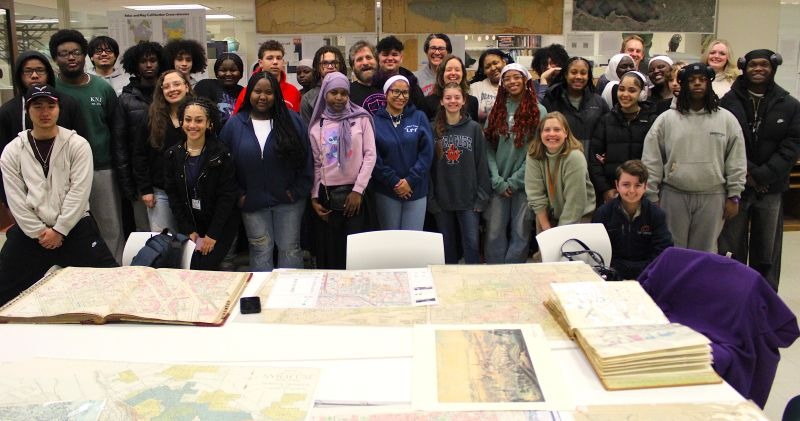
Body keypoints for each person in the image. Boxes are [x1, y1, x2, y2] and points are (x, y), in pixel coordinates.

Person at [0, 85, 117, 306]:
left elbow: (79, 192)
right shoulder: (13, 150)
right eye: (38, 106)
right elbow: (15, 198)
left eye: (50, 106)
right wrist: (39, 232)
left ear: (58, 109)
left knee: (111, 284)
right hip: (32, 232)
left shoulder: (77, 144)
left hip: (74, 227)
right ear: (27, 110)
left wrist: (60, 229)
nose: (45, 112)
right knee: (4, 288)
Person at [641, 62, 746, 252]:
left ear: (709, 83)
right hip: (674, 194)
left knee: (704, 253)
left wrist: (734, 195)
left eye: (702, 80)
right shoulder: (666, 119)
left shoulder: (726, 119)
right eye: (691, 80)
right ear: (683, 84)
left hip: (713, 195)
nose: (697, 84)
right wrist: (652, 195)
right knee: (673, 250)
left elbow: (736, 160)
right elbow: (652, 160)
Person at [718, 49, 800, 291]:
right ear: (744, 67)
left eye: (764, 64)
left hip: (771, 189)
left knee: (767, 252)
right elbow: (725, 141)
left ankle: (765, 300)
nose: (758, 69)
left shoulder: (790, 105)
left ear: (773, 67)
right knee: (732, 247)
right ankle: (734, 295)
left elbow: (793, 144)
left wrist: (763, 175)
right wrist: (750, 174)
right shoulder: (728, 102)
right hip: (738, 187)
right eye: (753, 64)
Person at [221, 72, 312, 271]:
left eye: (269, 92)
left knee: (290, 249)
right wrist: (239, 195)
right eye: (257, 91)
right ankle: (261, 297)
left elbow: (307, 160)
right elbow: (224, 167)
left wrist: (297, 191)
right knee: (260, 249)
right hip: (251, 202)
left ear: (276, 95)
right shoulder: (235, 125)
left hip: (289, 200)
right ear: (249, 93)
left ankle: (291, 298)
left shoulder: (293, 121)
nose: (263, 97)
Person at [50, 29, 124, 263]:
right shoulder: (51, 90)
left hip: (101, 167)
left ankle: (114, 269)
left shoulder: (102, 88)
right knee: (66, 224)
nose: (70, 58)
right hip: (61, 171)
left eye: (75, 53)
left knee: (110, 224)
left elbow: (116, 129)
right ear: (55, 58)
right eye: (64, 54)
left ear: (84, 56)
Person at [308, 73, 376, 269]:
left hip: (357, 196)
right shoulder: (316, 126)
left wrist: (358, 190)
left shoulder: (361, 118)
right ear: (324, 94)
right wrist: (314, 198)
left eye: (344, 93)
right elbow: (317, 164)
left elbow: (370, 155)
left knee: (356, 253)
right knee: (331, 252)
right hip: (327, 196)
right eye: (333, 93)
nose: (339, 97)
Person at [163, 97, 240, 270]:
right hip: (191, 226)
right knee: (193, 268)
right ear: (181, 122)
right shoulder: (172, 155)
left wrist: (212, 235)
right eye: (188, 120)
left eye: (199, 120)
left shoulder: (221, 154)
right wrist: (188, 230)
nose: (192, 125)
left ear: (209, 124)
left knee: (213, 267)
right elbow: (173, 196)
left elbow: (227, 198)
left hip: (220, 226)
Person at [0, 51, 86, 205]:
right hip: (25, 193)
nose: (34, 75)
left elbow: (82, 145)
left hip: (67, 190)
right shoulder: (7, 112)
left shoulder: (68, 104)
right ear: (19, 75)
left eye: (40, 70)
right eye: (28, 71)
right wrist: (7, 200)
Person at [484, 63, 546, 263]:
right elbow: (488, 148)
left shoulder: (539, 110)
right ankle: (495, 274)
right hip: (498, 184)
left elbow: (537, 150)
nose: (512, 82)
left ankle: (513, 275)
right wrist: (496, 179)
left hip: (525, 184)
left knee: (521, 233)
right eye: (507, 78)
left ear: (526, 80)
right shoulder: (497, 109)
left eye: (516, 77)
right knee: (494, 232)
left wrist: (516, 181)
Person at [428, 83, 490, 264]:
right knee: (447, 247)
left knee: (471, 245)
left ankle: (472, 285)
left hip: (469, 200)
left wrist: (482, 197)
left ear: (463, 101)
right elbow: (428, 168)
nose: (452, 101)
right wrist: (431, 199)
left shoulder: (474, 128)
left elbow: (481, 164)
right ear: (441, 101)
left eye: (457, 97)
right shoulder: (432, 128)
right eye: (448, 98)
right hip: (442, 199)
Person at [113, 41, 167, 233]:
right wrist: (128, 185)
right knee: (145, 232)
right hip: (139, 177)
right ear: (135, 65)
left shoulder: (168, 94)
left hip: (166, 175)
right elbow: (120, 144)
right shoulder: (125, 99)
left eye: (153, 60)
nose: (149, 65)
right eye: (143, 61)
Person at [592, 160, 673, 280]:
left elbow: (663, 250)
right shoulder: (603, 213)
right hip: (612, 275)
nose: (632, 191)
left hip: (647, 275)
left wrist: (645, 273)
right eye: (626, 184)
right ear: (617, 185)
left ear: (645, 187)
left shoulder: (656, 214)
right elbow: (596, 250)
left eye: (638, 185)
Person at [371, 75, 434, 231]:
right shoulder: (374, 121)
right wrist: (394, 181)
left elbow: (427, 153)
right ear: (386, 93)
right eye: (396, 92)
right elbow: (373, 157)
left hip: (416, 190)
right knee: (390, 241)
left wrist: (410, 180)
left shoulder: (419, 117)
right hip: (386, 191)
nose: (401, 96)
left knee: (412, 241)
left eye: (405, 92)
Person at [133, 70, 192, 232]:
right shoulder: (151, 117)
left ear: (186, 87)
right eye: (166, 87)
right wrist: (145, 190)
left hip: (193, 191)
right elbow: (140, 155)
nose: (172, 89)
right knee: (165, 243)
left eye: (176, 84)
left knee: (195, 242)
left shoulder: (199, 114)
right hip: (161, 192)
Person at [590, 71, 657, 204]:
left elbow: (656, 159)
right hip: (612, 191)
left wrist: (647, 188)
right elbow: (594, 158)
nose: (625, 94)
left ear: (641, 93)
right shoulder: (606, 120)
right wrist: (605, 189)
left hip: (642, 191)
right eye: (621, 89)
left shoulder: (652, 121)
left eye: (632, 90)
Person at [525, 111, 595, 230]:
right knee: (546, 248)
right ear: (540, 133)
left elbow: (575, 202)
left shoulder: (575, 157)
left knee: (564, 247)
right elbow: (535, 195)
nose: (551, 134)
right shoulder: (533, 154)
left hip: (578, 218)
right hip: (547, 216)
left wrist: (559, 235)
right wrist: (546, 228)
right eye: (547, 130)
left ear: (566, 133)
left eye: (557, 130)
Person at [541, 56, 609, 160]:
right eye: (573, 72)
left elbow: (606, 134)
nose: (578, 76)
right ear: (565, 75)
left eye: (583, 73)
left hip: (591, 163)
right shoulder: (552, 101)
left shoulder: (599, 103)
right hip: (559, 161)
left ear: (588, 76)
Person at [233, 40, 301, 113]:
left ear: (283, 61)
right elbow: (237, 122)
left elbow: (297, 122)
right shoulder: (247, 92)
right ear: (260, 63)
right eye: (270, 58)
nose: (275, 62)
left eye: (278, 58)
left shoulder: (293, 92)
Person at [372, 36, 426, 112]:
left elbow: (421, 112)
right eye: (385, 54)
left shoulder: (412, 85)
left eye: (394, 54)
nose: (390, 58)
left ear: (401, 58)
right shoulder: (370, 83)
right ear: (378, 57)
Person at [193, 52, 244, 128]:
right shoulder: (205, 86)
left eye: (233, 70)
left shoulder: (244, 92)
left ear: (241, 74)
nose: (228, 74)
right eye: (223, 70)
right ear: (216, 73)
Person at [422, 55, 479, 122]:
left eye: (457, 70)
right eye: (449, 70)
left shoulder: (472, 102)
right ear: (442, 74)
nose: (453, 73)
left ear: (463, 74)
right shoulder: (428, 102)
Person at [300, 46, 348, 123]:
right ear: (317, 67)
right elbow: (306, 131)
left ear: (340, 65)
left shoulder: (350, 91)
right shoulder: (308, 98)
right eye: (324, 63)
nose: (330, 67)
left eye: (334, 63)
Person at [469, 49, 513, 124]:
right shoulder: (474, 88)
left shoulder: (515, 85)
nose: (493, 68)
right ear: (484, 71)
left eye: (495, 63)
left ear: (504, 62)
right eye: (487, 67)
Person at [348, 40, 384, 115]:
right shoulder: (347, 93)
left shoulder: (391, 87)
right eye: (359, 59)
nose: (365, 63)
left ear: (377, 62)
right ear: (353, 67)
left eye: (368, 57)